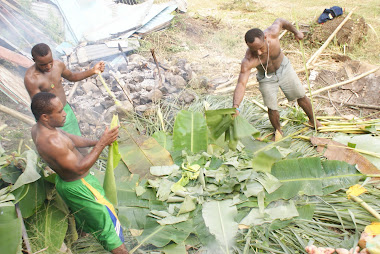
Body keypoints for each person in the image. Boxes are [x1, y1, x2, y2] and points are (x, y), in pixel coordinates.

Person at [31, 92, 128, 254]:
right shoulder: (51, 142)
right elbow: (79, 168)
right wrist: (102, 144)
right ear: (45, 117)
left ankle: (84, 244)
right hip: (80, 185)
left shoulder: (40, 129)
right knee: (108, 226)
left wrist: (98, 141)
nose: (65, 114)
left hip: (66, 184)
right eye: (60, 111)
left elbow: (71, 140)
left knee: (84, 216)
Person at [232, 18, 321, 140]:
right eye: (253, 49)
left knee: (301, 96)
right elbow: (241, 84)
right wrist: (236, 105)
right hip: (266, 77)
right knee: (271, 106)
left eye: (260, 48)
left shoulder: (272, 34)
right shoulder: (248, 60)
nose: (258, 52)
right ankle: (278, 131)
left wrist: (296, 32)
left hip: (284, 68)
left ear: (265, 38)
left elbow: (281, 21)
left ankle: (313, 120)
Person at [25, 43, 105, 136]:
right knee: (61, 147)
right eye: (43, 65)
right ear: (34, 60)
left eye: (50, 61)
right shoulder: (31, 78)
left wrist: (92, 71)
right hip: (50, 118)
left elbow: (73, 76)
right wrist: (51, 122)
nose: (48, 66)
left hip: (65, 111)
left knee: (78, 141)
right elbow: (38, 106)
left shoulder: (58, 65)